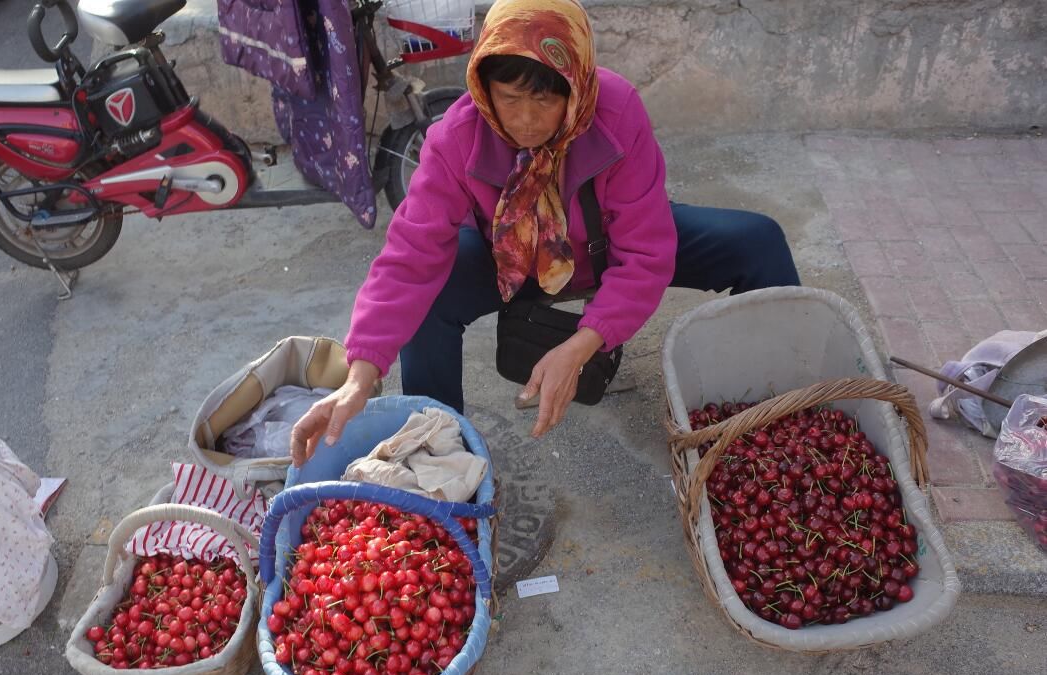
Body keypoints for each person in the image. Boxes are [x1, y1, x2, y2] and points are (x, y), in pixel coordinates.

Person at [290, 0, 799, 466]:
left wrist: (583, 344)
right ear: (483, 88)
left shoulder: (615, 111)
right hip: (509, 260)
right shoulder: (457, 138)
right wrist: (359, 377)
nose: (526, 121)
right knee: (431, 293)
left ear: (576, 86)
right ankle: (439, 448)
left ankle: (781, 416)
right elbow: (408, 258)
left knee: (758, 241)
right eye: (509, 99)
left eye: (544, 100)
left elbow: (645, 252)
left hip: (604, 243)